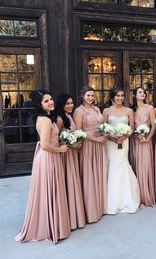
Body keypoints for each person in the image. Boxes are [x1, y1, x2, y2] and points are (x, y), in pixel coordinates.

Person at [15, 90, 71, 244]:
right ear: (39, 105)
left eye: (51, 99)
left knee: (51, 190)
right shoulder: (45, 120)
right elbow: (46, 145)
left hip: (49, 157)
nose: (51, 102)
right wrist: (60, 149)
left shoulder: (46, 117)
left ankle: (53, 223)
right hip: (48, 158)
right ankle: (50, 227)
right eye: (46, 101)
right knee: (49, 190)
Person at [103, 88, 140, 214]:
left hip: (124, 142)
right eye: (117, 96)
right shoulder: (106, 111)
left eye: (122, 96)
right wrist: (113, 138)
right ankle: (111, 201)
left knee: (122, 164)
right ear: (113, 97)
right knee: (112, 166)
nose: (120, 98)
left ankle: (126, 199)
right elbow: (104, 128)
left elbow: (131, 128)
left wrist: (125, 136)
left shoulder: (129, 111)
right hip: (111, 143)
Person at [73, 86, 107, 223]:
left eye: (92, 95)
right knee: (89, 175)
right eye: (88, 95)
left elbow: (101, 124)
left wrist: (104, 132)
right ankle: (90, 210)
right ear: (82, 96)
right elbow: (78, 132)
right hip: (88, 145)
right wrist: (95, 138)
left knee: (98, 174)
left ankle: (100, 206)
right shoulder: (79, 111)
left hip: (99, 145)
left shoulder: (97, 109)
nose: (91, 98)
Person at [55, 93, 86, 230]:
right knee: (68, 181)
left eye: (72, 103)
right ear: (62, 105)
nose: (70, 105)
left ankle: (75, 215)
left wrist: (78, 141)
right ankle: (69, 216)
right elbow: (58, 139)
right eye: (67, 103)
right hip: (66, 154)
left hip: (73, 153)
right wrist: (72, 144)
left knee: (74, 181)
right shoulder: (60, 119)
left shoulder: (69, 116)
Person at [129, 87, 156, 207]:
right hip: (135, 141)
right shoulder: (131, 110)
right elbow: (129, 127)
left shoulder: (149, 108)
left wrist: (148, 138)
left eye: (144, 92)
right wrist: (136, 136)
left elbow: (154, 126)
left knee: (145, 166)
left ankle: (146, 195)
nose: (143, 94)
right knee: (135, 166)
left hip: (146, 141)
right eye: (140, 92)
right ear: (134, 95)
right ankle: (136, 196)